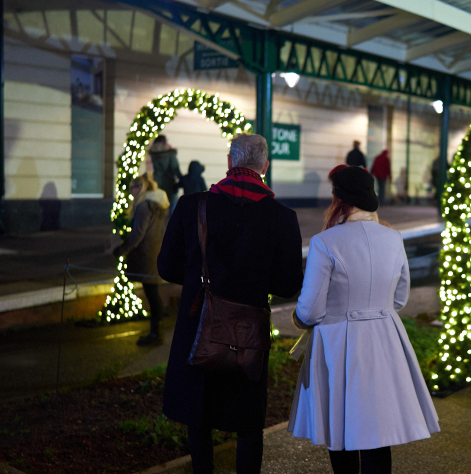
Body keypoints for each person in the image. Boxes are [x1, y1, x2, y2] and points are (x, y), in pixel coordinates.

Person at [157, 134, 304, 474]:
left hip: (199, 323)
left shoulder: (192, 205)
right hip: (247, 330)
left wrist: (199, 280)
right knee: (248, 420)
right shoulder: (282, 217)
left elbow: (166, 267)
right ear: (264, 167)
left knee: (199, 413)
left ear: (229, 162)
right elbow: (288, 284)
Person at [288, 165, 440, 473]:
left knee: (341, 428)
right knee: (378, 430)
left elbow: (310, 310)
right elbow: (399, 298)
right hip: (385, 338)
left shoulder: (325, 242)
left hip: (338, 343)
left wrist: (299, 319)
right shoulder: (393, 238)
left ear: (338, 199)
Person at [113, 172, 169, 346]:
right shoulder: (159, 204)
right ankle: (156, 332)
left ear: (141, 188)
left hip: (146, 254)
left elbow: (138, 233)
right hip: (155, 252)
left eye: (133, 188)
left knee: (152, 294)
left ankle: (156, 334)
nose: (131, 192)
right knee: (153, 292)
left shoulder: (144, 206)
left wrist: (122, 248)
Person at [149, 135, 183, 215]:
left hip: (157, 183)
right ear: (163, 142)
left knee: (158, 210)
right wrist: (182, 180)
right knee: (171, 211)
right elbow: (175, 168)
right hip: (169, 184)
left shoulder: (154, 153)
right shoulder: (169, 153)